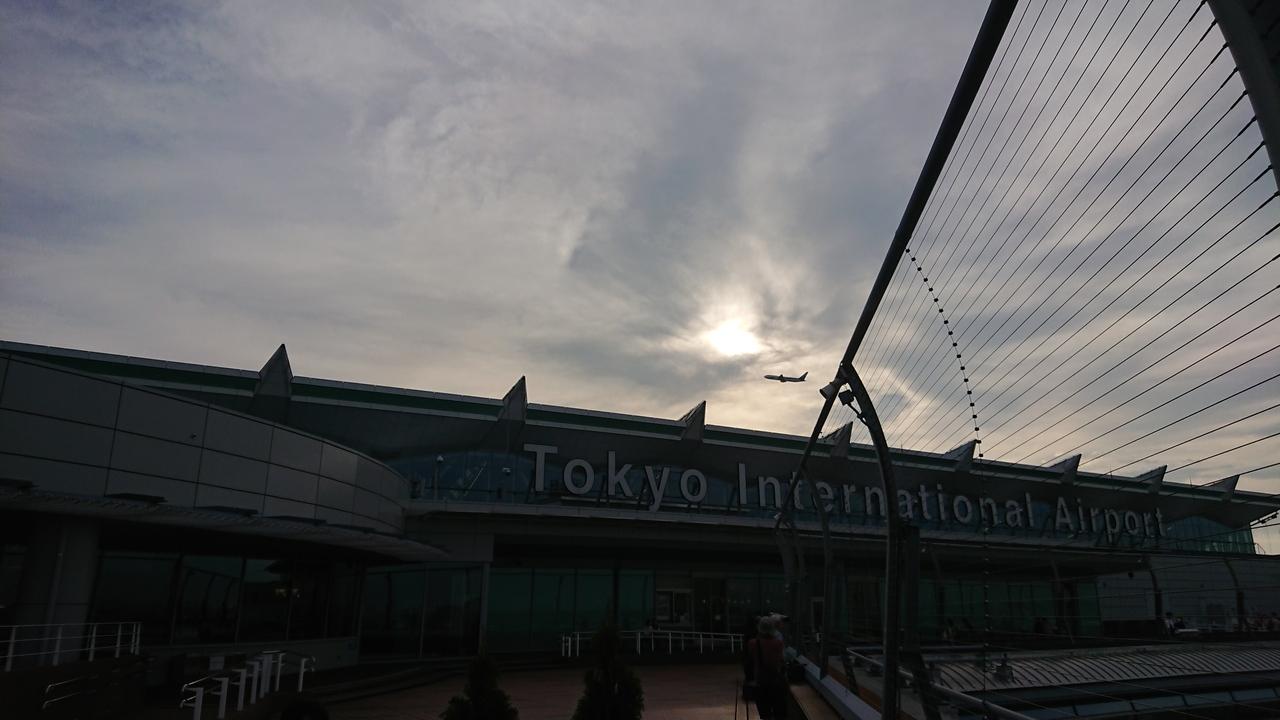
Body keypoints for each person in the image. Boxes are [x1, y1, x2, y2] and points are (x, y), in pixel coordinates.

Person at [749, 616, 788, 720]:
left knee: (765, 714)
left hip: (760, 681)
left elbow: (751, 660)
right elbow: (782, 660)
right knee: (779, 713)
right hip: (776, 681)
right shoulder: (778, 643)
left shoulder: (753, 643)